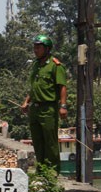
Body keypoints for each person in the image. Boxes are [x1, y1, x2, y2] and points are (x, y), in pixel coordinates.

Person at [20, 34, 68, 173]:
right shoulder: (35, 65)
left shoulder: (55, 66)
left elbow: (62, 87)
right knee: (37, 141)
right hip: (34, 108)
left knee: (50, 142)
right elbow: (34, 86)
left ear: (47, 49)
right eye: (34, 47)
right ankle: (41, 170)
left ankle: (52, 172)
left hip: (48, 108)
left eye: (38, 47)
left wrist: (63, 106)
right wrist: (26, 102)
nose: (35, 50)